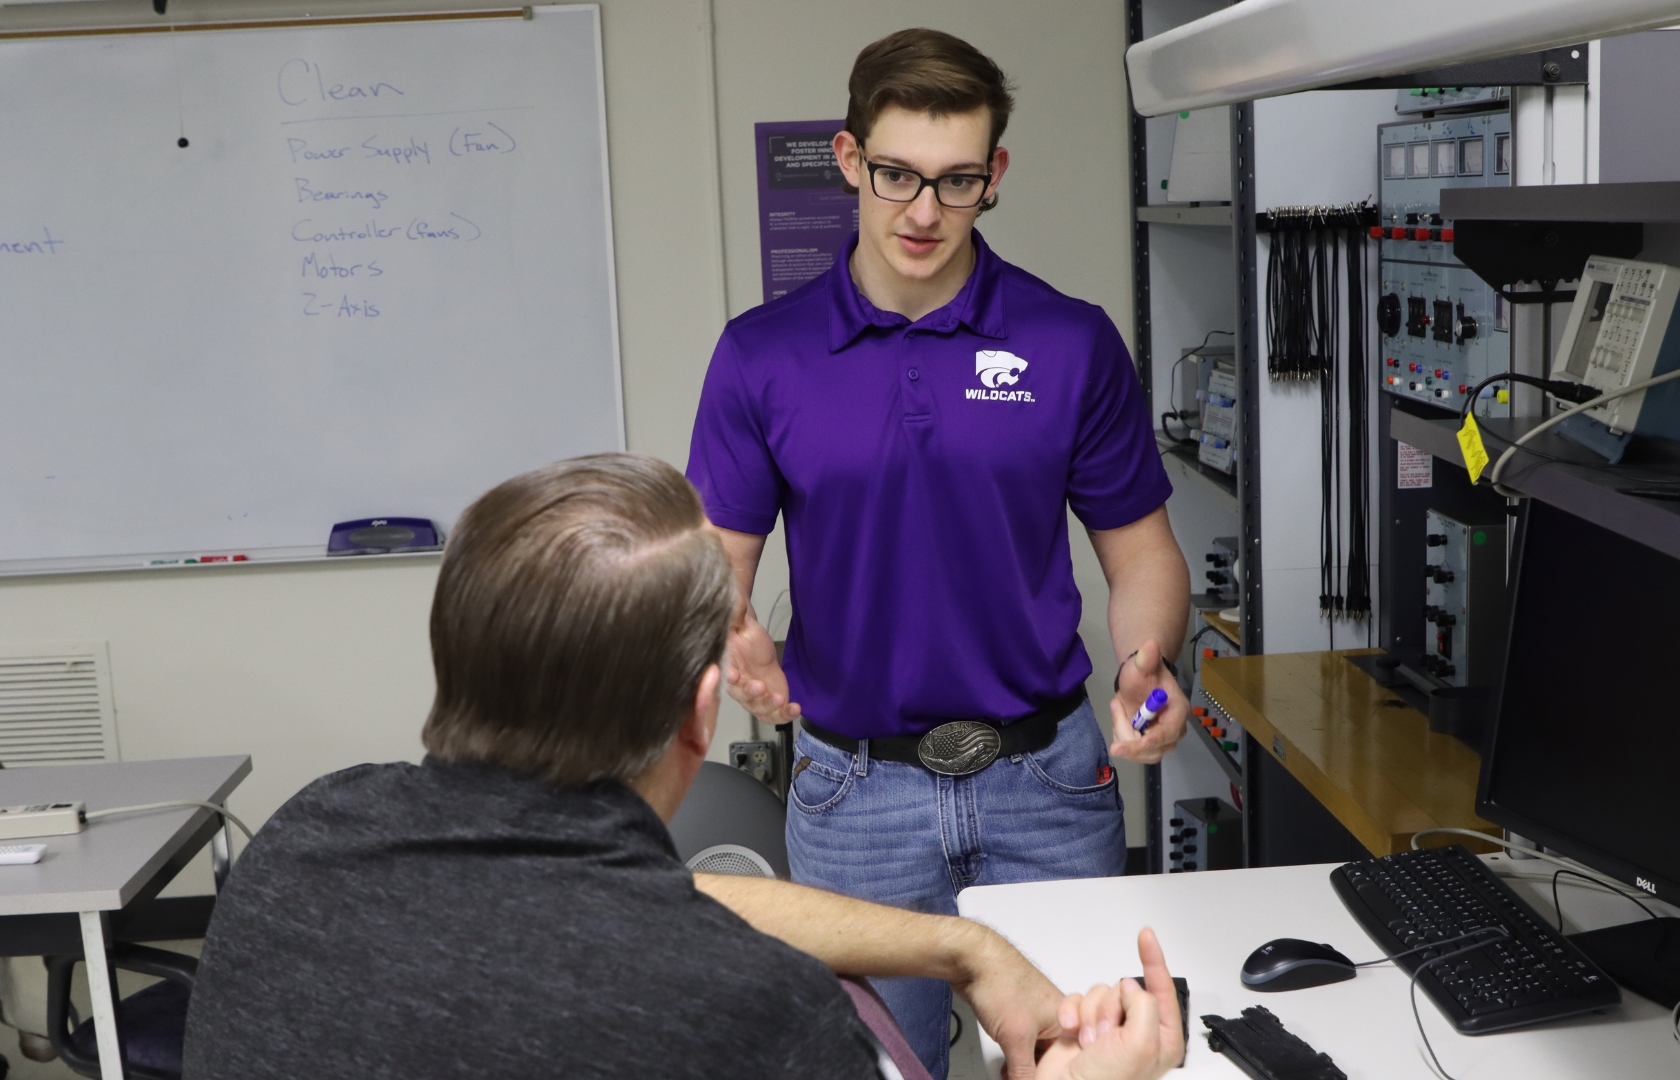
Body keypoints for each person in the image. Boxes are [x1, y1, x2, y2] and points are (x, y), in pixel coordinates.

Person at [181, 454, 1184, 1080]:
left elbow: (648, 897)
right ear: (702, 712)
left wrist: (970, 951)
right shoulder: (750, 1013)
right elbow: (657, 918)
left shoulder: (309, 837)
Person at [687, 29, 1191, 1078]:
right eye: (897, 176)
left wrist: (1147, 662)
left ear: (994, 173)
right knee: (877, 1072)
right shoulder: (761, 356)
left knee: (1080, 1064)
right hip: (854, 797)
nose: (923, 212)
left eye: (957, 182)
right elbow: (712, 569)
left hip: (1046, 787)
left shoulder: (1070, 342)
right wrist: (735, 641)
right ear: (847, 159)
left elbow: (1141, 555)